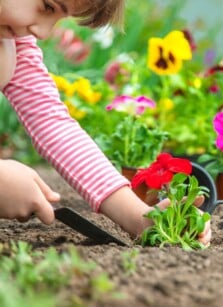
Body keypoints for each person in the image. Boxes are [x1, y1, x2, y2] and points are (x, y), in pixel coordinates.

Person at [0, 0, 211, 245]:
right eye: (48, 6)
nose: (43, 32)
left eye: (58, 17)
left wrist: (141, 219)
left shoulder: (14, 42)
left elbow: (54, 125)